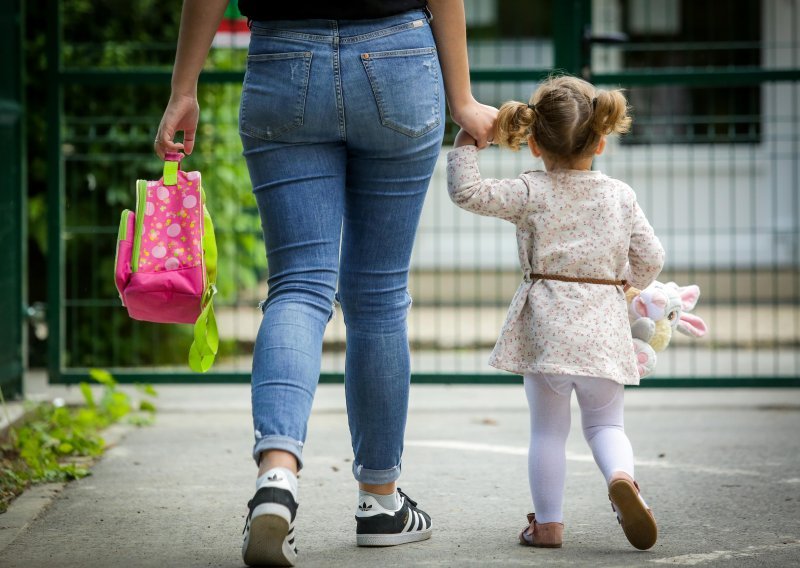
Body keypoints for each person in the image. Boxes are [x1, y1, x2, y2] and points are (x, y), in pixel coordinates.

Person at [154, 1, 496, 565]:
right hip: (399, 58)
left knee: (297, 287)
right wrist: (462, 99)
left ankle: (277, 477)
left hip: (283, 62)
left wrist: (183, 88)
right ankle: (381, 502)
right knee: (379, 296)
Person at [446, 75, 665, 551]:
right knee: (606, 425)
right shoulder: (620, 196)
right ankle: (622, 478)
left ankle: (548, 525)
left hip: (545, 329)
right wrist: (629, 285)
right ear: (601, 142)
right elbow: (652, 258)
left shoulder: (530, 191)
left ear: (534, 146)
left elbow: (468, 193)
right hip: (604, 329)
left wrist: (467, 138)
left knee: (548, 431)